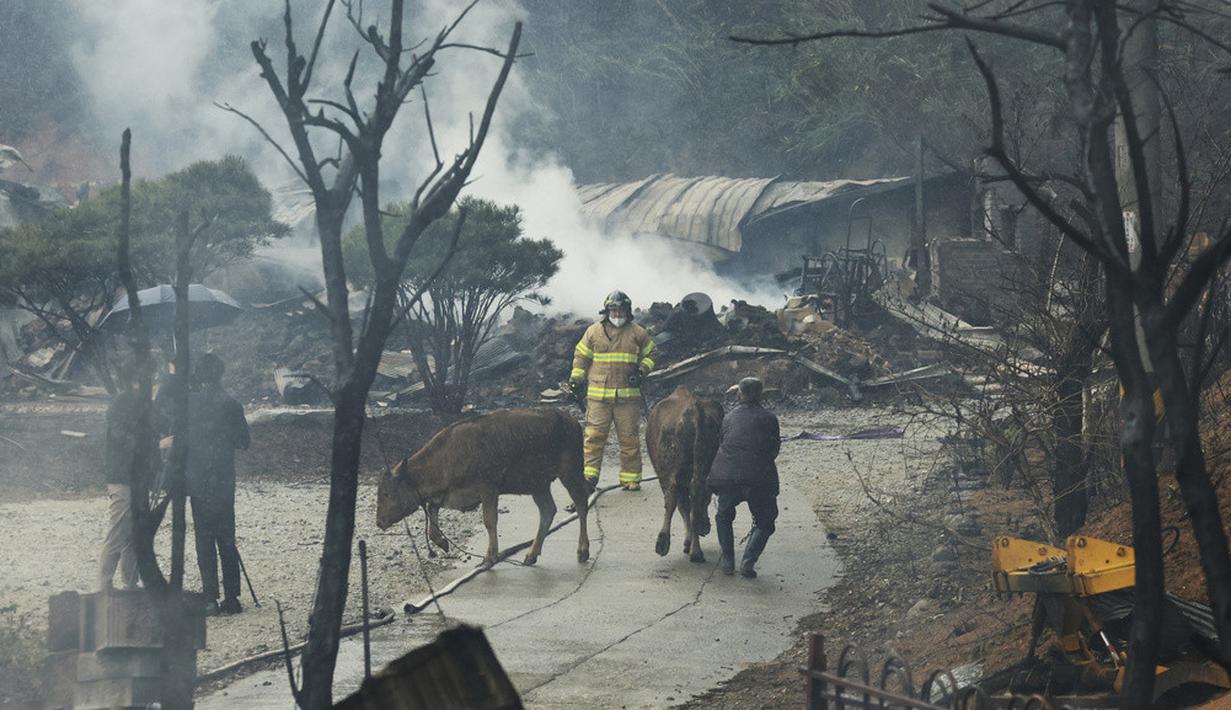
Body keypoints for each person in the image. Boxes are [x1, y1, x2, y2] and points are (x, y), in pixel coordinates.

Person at [569, 290, 657, 491]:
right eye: (613, 310)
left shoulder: (637, 333)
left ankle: (631, 479)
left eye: (620, 310)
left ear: (627, 311)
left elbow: (652, 353)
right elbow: (581, 357)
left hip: (627, 398)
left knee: (629, 439)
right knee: (593, 438)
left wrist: (642, 370)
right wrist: (576, 378)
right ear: (607, 311)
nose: (617, 315)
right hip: (598, 398)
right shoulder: (593, 332)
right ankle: (589, 479)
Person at [186, 353, 250, 615]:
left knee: (204, 538)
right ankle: (232, 598)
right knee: (226, 537)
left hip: (198, 478)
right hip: (223, 479)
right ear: (221, 373)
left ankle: (210, 597)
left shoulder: (190, 404)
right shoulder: (231, 403)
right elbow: (243, 442)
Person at [708, 377, 780, 577]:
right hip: (758, 479)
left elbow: (722, 442)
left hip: (727, 477)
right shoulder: (769, 419)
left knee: (723, 515)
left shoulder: (729, 418)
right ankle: (747, 563)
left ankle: (728, 562)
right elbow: (774, 450)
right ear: (761, 395)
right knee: (766, 521)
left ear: (739, 395)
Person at [98, 359, 157, 590]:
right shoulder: (120, 404)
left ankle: (131, 583)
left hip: (139, 477)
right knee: (119, 529)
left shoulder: (144, 404)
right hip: (122, 475)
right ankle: (103, 583)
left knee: (135, 531)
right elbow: (122, 438)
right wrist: (154, 443)